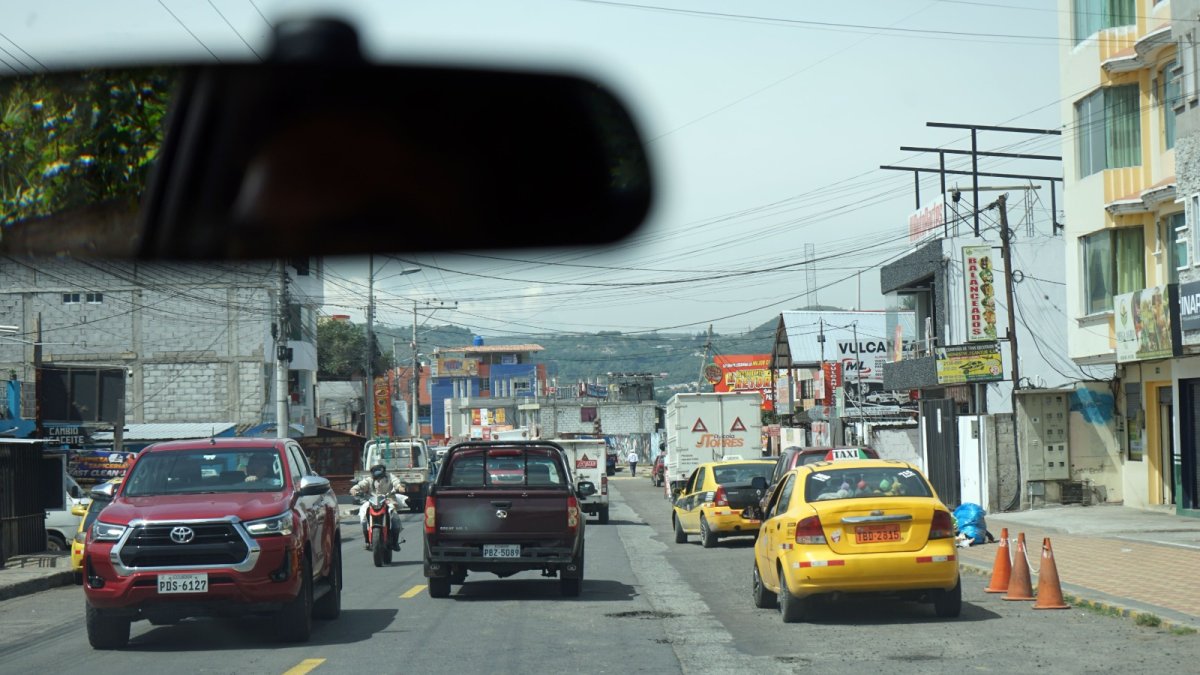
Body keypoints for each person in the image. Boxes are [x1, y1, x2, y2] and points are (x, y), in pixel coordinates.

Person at [349, 464, 405, 551]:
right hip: (372, 501)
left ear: (383, 470)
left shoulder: (389, 477)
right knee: (363, 517)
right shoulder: (369, 479)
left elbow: (396, 482)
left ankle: (395, 542)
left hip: (388, 500)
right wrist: (354, 490)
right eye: (375, 470)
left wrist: (400, 487)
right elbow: (361, 485)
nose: (377, 472)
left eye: (379, 469)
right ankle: (367, 541)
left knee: (395, 518)